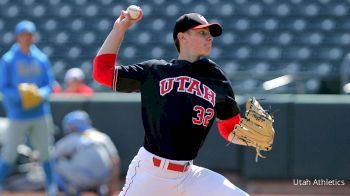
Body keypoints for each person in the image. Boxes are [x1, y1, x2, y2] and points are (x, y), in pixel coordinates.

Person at [93, 8, 250, 196]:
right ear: (182, 37)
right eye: (202, 33)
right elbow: (102, 72)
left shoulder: (216, 78)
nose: (209, 38)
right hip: (151, 173)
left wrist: (248, 138)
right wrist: (119, 29)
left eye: (210, 34)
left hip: (189, 175)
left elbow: (228, 127)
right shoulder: (155, 71)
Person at [0, 20, 57, 195]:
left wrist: (39, 94)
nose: (27, 38)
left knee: (46, 152)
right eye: (24, 35)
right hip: (18, 114)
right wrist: (22, 95)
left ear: (34, 36)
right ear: (18, 37)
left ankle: (51, 186)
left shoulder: (40, 58)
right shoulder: (8, 59)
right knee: (10, 153)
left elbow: (50, 84)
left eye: (30, 35)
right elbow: (4, 85)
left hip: (39, 113)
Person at [53, 110, 120, 195]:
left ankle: (72, 190)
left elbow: (51, 155)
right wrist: (113, 184)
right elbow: (115, 160)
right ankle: (101, 189)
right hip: (104, 179)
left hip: (83, 179)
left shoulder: (72, 138)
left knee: (53, 164)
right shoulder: (102, 137)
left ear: (74, 125)